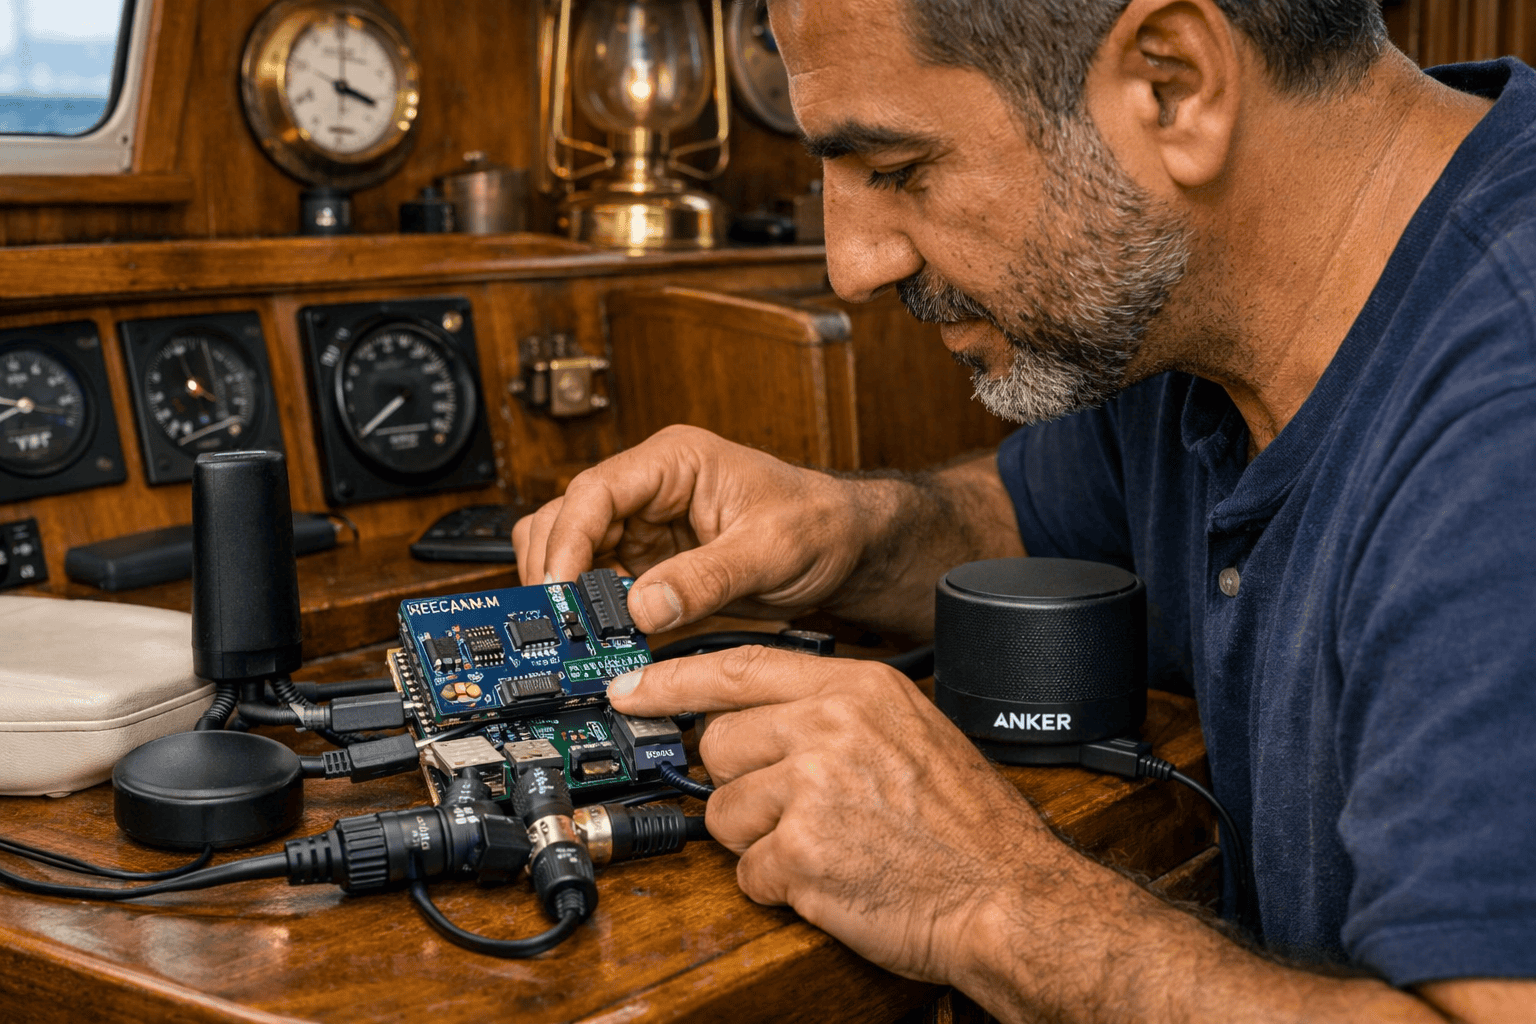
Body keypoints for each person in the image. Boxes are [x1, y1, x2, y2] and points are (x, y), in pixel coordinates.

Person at [514, 0, 1536, 1019]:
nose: (852, 266)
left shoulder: (1506, 409)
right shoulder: (1203, 301)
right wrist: (842, 532)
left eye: (900, 170)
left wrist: (990, 898)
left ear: (1172, 86)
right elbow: (1032, 520)